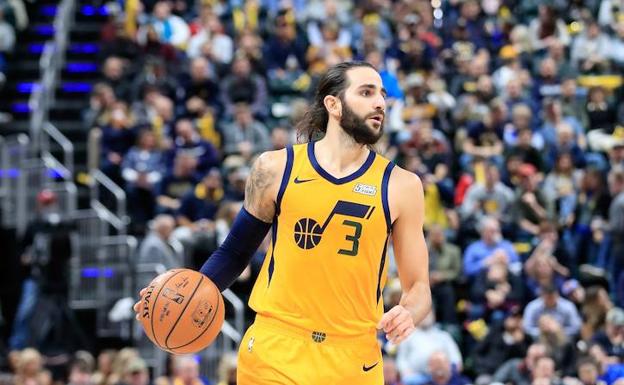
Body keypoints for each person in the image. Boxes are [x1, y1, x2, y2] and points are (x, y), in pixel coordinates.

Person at [134, 61, 432, 384]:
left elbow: (418, 287)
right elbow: (235, 253)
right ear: (333, 104)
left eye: (382, 95)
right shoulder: (276, 167)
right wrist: (184, 297)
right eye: (366, 92)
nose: (380, 103)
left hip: (354, 356)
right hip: (276, 348)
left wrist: (409, 312)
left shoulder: (402, 186)